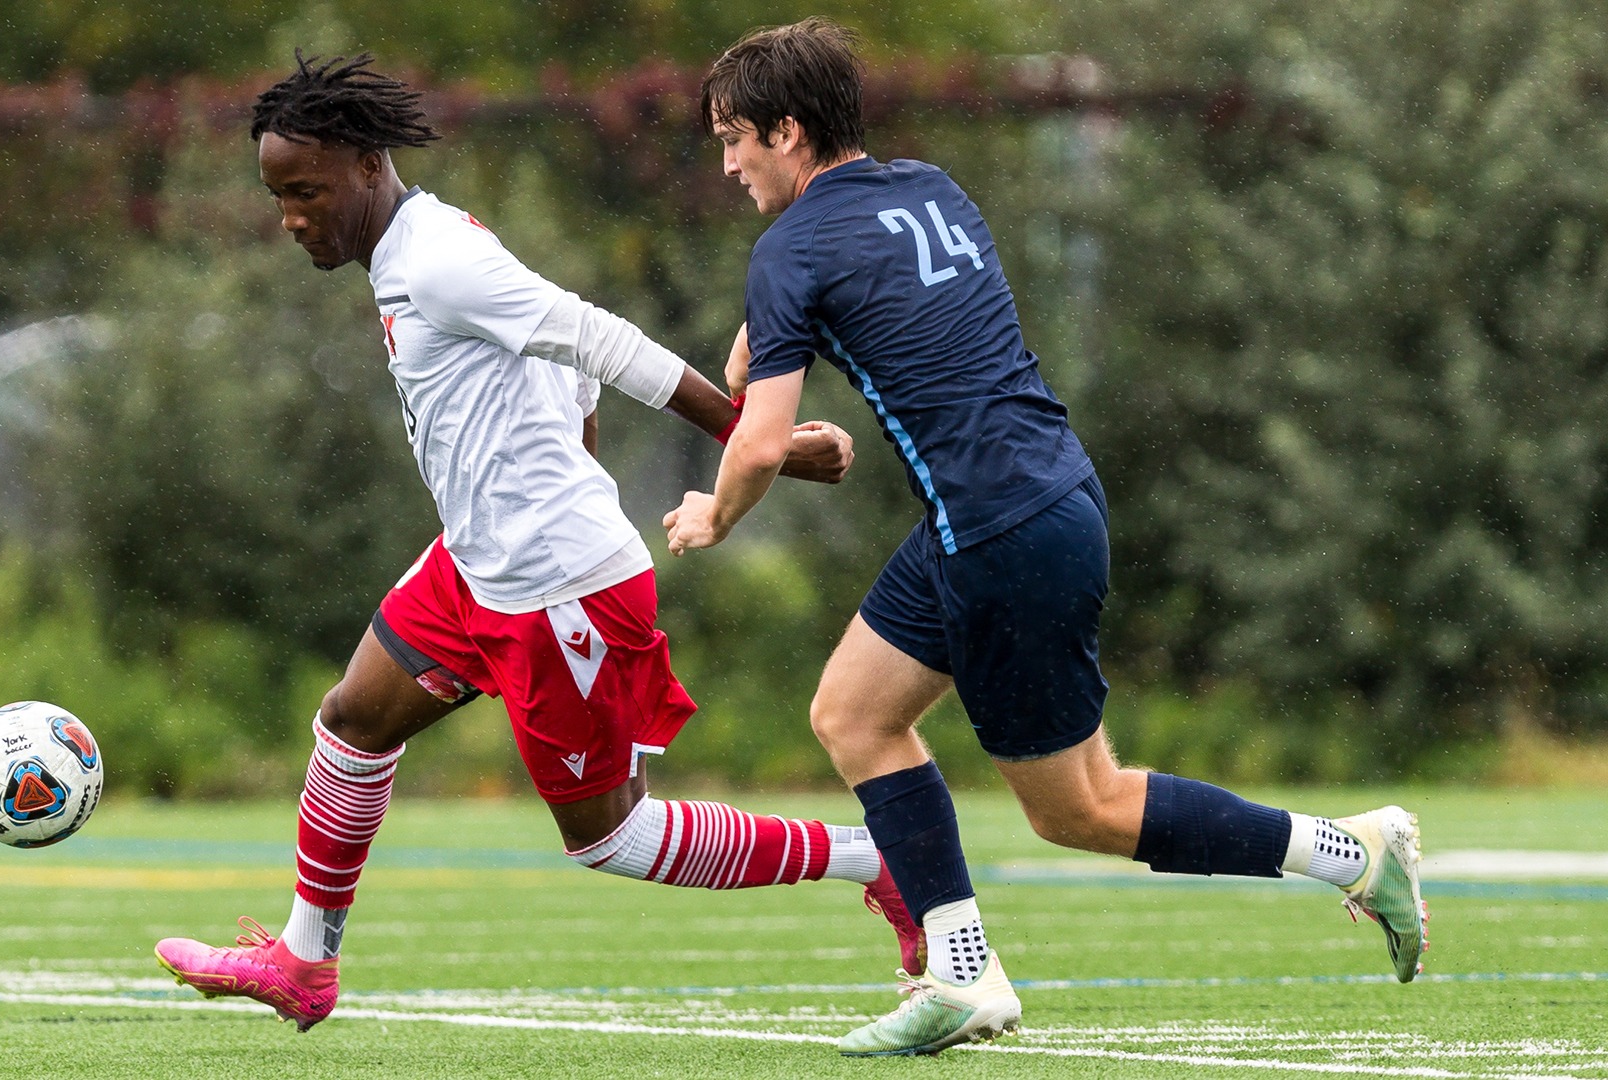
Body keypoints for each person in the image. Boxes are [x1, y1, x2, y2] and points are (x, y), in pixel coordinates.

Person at [663, 18, 1428, 1057]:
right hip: (1037, 497)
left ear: (789, 131)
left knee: (1083, 809)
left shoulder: (792, 247)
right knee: (852, 712)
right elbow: (838, 317)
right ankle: (959, 971)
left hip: (996, 534)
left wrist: (714, 511)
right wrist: (764, 334)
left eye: (735, 139)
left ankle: (1354, 852)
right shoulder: (930, 188)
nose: (728, 162)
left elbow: (755, 451)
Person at [153, 52, 928, 1033]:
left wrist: (750, 441)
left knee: (614, 839)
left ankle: (879, 859)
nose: (292, 219)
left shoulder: (436, 258)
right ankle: (303, 966)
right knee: (353, 723)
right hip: (476, 567)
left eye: (304, 192)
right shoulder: (413, 248)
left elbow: (598, 339)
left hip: (557, 588)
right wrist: (574, 428)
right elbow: (549, 356)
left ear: (363, 165)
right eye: (277, 199)